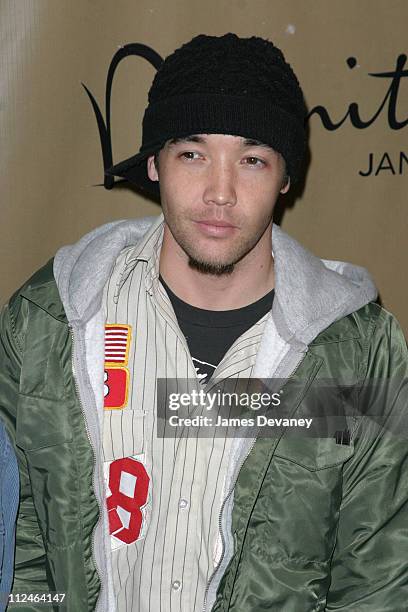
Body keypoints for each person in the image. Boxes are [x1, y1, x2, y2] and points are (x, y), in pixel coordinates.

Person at [1, 32, 407, 611]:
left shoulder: (359, 353)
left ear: (286, 177)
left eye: (252, 159)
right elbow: (22, 553)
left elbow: (377, 580)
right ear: (153, 164)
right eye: (193, 154)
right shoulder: (50, 324)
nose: (221, 192)